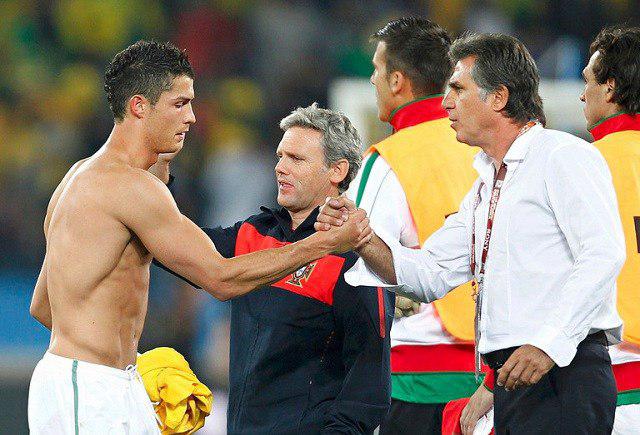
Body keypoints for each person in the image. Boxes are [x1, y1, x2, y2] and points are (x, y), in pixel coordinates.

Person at [27, 41, 367, 435]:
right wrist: (322, 244)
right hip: (89, 390)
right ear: (139, 107)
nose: (191, 117)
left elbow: (43, 305)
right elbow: (220, 278)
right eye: (179, 103)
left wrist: (126, 359)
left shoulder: (79, 177)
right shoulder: (131, 187)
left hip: (98, 380)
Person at [318, 33, 625, 434]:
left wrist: (548, 343)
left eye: (459, 89)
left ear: (498, 97)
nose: (446, 102)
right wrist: (361, 236)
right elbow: (429, 274)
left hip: (564, 374)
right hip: (514, 378)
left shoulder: (562, 155)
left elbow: (603, 254)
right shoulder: (485, 185)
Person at [153, 103, 393, 434]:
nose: (280, 167)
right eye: (281, 156)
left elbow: (368, 385)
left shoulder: (354, 258)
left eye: (296, 159)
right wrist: (160, 169)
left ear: (337, 171)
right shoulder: (253, 234)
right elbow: (173, 247)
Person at [456, 26, 640, 435]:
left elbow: (551, 279)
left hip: (603, 374)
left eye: (588, 82)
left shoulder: (569, 163)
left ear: (610, 88)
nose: (581, 95)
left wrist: (496, 379)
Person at [343, 17, 480, 434]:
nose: (372, 79)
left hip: (417, 377)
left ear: (398, 81)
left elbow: (352, 259)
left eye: (377, 69)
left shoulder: (389, 159)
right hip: (497, 373)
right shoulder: (490, 150)